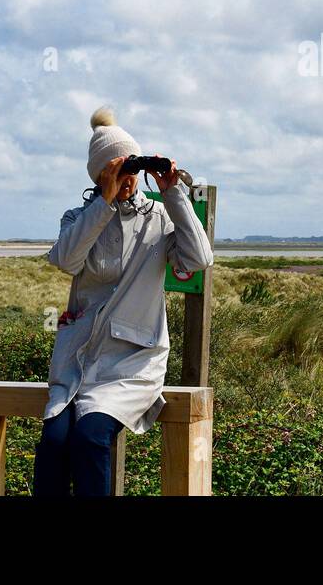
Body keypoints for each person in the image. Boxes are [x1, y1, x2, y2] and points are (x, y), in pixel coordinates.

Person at [32, 106, 213, 496]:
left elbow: (200, 258)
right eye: (117, 170)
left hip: (133, 361)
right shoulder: (78, 218)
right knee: (55, 443)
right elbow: (65, 260)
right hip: (79, 359)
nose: (128, 179)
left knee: (91, 438)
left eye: (131, 169)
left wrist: (172, 192)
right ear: (99, 175)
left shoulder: (159, 218)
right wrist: (104, 205)